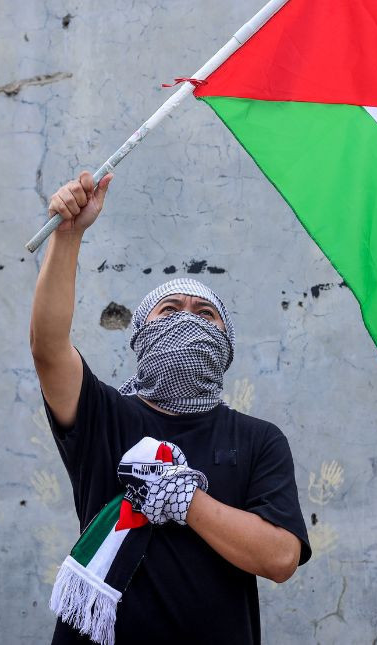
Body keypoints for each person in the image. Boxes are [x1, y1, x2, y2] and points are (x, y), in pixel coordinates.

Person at [31, 170, 312, 644]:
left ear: (226, 344)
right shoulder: (103, 416)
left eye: (205, 314)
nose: (187, 319)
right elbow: (48, 348)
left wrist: (185, 499)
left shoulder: (258, 439)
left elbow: (281, 557)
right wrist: (68, 235)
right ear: (141, 334)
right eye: (169, 309)